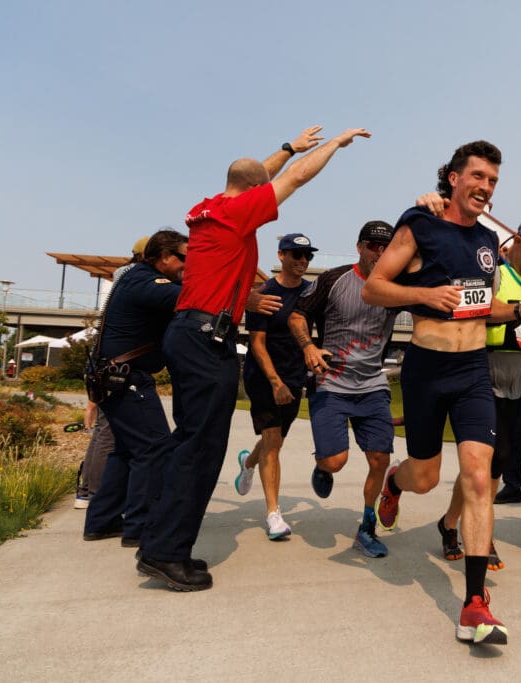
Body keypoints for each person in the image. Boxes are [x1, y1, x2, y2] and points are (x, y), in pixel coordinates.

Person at [137, 125, 370, 592]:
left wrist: (285, 149)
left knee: (190, 442)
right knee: (201, 448)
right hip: (206, 337)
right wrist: (333, 146)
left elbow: (260, 175)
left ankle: (159, 542)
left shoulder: (212, 208)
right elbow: (295, 178)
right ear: (254, 192)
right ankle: (165, 554)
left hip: (190, 332)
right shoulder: (239, 213)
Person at [363, 140, 521, 645]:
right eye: (478, 177)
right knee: (426, 478)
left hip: (472, 370)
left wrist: (520, 312)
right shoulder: (420, 224)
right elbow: (373, 287)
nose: (485, 187)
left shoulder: (488, 240)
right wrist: (424, 294)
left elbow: (480, 305)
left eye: (492, 181)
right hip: (426, 369)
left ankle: (474, 603)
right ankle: (396, 486)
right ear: (453, 177)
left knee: (477, 475)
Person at [436, 215, 521, 572]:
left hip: (518, 376)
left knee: (497, 462)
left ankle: (449, 523)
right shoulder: (497, 271)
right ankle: (481, 532)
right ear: (518, 243)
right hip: (482, 370)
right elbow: (467, 309)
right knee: (488, 462)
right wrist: (517, 318)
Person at [286, 220, 398, 559]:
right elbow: (296, 315)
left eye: (386, 246)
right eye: (373, 245)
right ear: (360, 247)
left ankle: (366, 528)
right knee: (336, 461)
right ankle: (322, 465)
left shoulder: (398, 287)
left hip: (372, 383)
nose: (379, 252)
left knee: (379, 458)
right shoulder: (334, 279)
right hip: (331, 382)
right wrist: (308, 347)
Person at [82, 229, 188, 548]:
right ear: (164, 257)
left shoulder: (136, 278)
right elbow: (188, 298)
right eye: (184, 258)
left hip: (117, 376)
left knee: (127, 450)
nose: (188, 264)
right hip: (126, 378)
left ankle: (102, 521)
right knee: (154, 448)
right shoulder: (146, 281)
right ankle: (141, 526)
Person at [233, 233, 317, 540]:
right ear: (281, 255)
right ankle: (273, 515)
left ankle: (248, 462)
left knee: (275, 441)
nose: (303, 261)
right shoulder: (264, 293)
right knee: (272, 439)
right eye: (297, 254)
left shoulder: (311, 292)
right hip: (264, 376)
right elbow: (257, 343)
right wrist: (275, 382)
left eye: (308, 255)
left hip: (295, 377)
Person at [74, 236, 150, 509]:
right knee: (108, 431)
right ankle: (96, 494)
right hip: (113, 363)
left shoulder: (122, 274)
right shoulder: (134, 276)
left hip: (102, 359)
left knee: (104, 428)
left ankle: (87, 489)